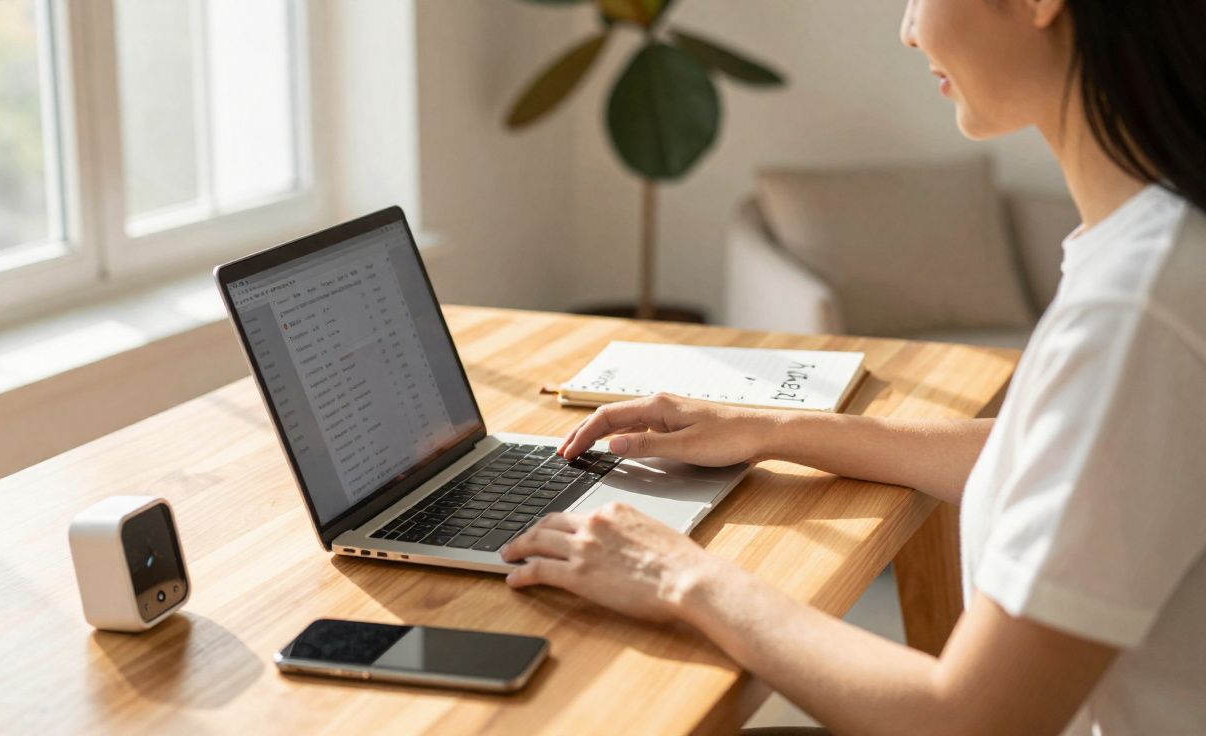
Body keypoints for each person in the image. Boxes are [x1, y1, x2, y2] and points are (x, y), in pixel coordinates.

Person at [500, 0, 1206, 733]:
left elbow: (968, 719)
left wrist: (680, 575)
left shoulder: (1140, 307)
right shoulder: (1158, 246)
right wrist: (768, 428)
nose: (908, 28)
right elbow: (1050, 457)